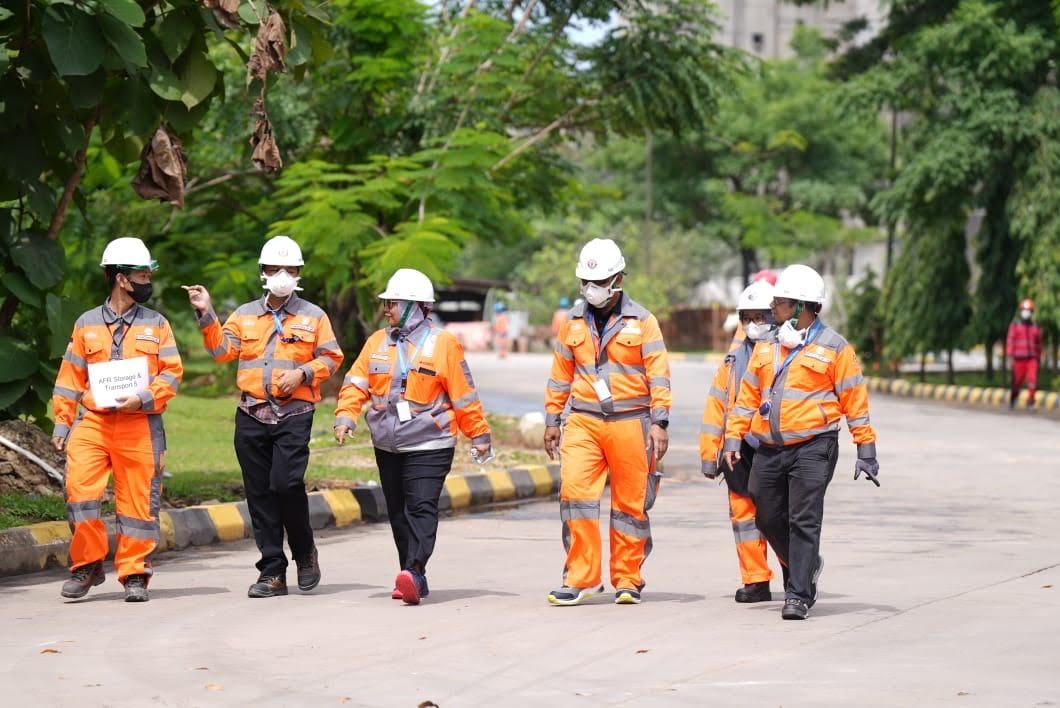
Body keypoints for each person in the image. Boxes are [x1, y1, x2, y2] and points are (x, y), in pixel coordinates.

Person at [183, 236, 343, 598]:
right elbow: (221, 352)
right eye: (275, 269)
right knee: (259, 494)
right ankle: (272, 571)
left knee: (285, 485)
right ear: (263, 272)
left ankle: (305, 553)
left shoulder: (314, 316)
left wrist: (303, 373)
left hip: (294, 413)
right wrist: (206, 313)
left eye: (290, 269)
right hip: (252, 414)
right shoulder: (243, 315)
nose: (282, 275)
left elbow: (332, 357)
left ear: (299, 273)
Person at [724, 264, 878, 620]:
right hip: (770, 448)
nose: (772, 306)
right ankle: (806, 564)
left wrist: (865, 448)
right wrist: (733, 438)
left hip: (814, 447)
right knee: (765, 515)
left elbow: (855, 399)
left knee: (803, 519)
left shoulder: (835, 348)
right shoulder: (766, 347)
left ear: (802, 307)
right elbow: (746, 398)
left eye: (780, 301)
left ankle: (799, 594)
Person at [333, 268, 492, 605]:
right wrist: (346, 416)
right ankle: (410, 573)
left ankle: (415, 570)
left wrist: (478, 434)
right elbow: (355, 383)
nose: (386, 309)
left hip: (430, 442)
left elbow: (464, 395)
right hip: (387, 443)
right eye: (387, 303)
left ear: (415, 306)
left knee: (420, 505)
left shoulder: (443, 344)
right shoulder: (377, 342)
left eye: (392, 303)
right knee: (398, 511)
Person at [52, 237, 183, 602]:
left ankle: (134, 574)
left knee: (138, 504)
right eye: (142, 274)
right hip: (92, 423)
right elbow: (70, 376)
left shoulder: (157, 324)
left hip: (139, 424)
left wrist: (141, 398)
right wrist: (62, 422)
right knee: (80, 496)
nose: (147, 280)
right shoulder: (86, 324)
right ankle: (87, 566)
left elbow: (172, 374)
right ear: (121, 278)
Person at [543, 238, 672, 606]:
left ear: (618, 278)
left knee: (630, 505)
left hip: (632, 422)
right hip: (583, 421)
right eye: (585, 282)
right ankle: (581, 577)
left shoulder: (644, 322)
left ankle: (628, 579)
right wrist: (553, 418)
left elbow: (659, 374)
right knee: (576, 497)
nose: (591, 289)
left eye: (597, 282)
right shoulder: (572, 322)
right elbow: (560, 374)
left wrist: (660, 422)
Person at [700, 279, 778, 603]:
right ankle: (756, 579)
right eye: (747, 317)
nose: (753, 324)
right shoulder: (732, 361)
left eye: (760, 316)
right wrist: (709, 454)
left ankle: (797, 572)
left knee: (776, 516)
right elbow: (717, 404)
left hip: (776, 446)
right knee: (744, 516)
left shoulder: (786, 352)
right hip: (739, 447)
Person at [1006, 299, 1042, 409]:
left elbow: (1039, 344)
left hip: (1032, 359)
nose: (1026, 312)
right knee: (1016, 382)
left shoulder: (1035, 327)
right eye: (1024, 310)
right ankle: (1013, 398)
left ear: (1032, 312)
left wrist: (1039, 358)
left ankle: (1030, 402)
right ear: (1021, 311)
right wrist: (1010, 357)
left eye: (1028, 310)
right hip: (1018, 359)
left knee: (1032, 381)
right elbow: (1010, 341)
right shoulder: (1015, 325)